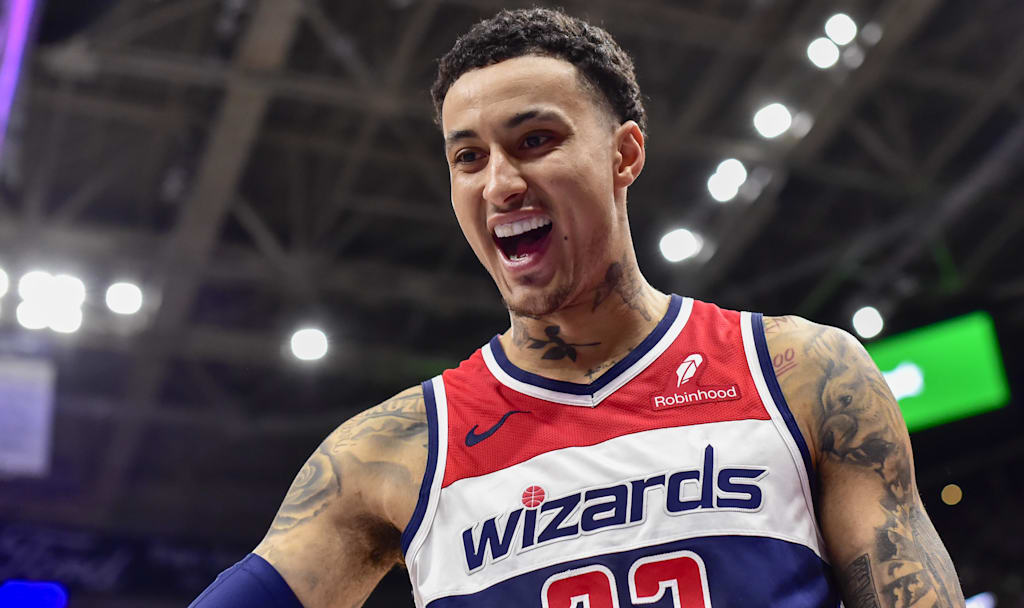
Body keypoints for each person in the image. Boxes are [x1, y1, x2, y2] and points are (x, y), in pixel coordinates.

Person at [191, 7, 964, 607]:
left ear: (624, 154)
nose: (498, 184)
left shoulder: (800, 374)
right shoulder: (391, 454)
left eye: (534, 140)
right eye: (469, 157)